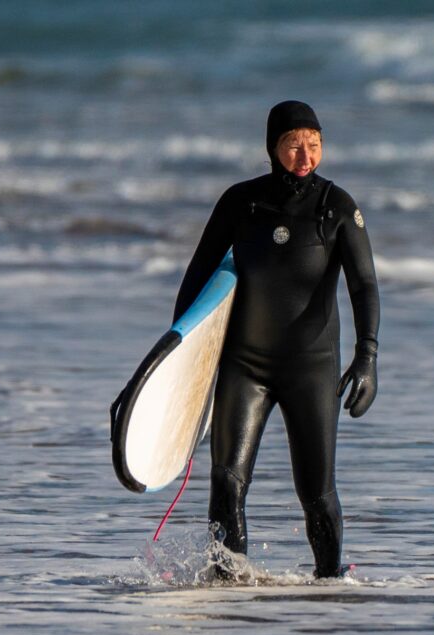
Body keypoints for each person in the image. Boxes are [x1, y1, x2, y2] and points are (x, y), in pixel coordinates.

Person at [172, 100, 380, 578]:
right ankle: (227, 586)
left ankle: (330, 586)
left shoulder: (338, 207)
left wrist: (367, 355)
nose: (305, 156)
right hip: (245, 366)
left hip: (311, 369)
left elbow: (364, 285)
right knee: (226, 483)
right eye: (293, 145)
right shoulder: (240, 203)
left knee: (317, 493)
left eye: (314, 144)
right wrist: (180, 353)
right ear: (272, 147)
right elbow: (197, 278)